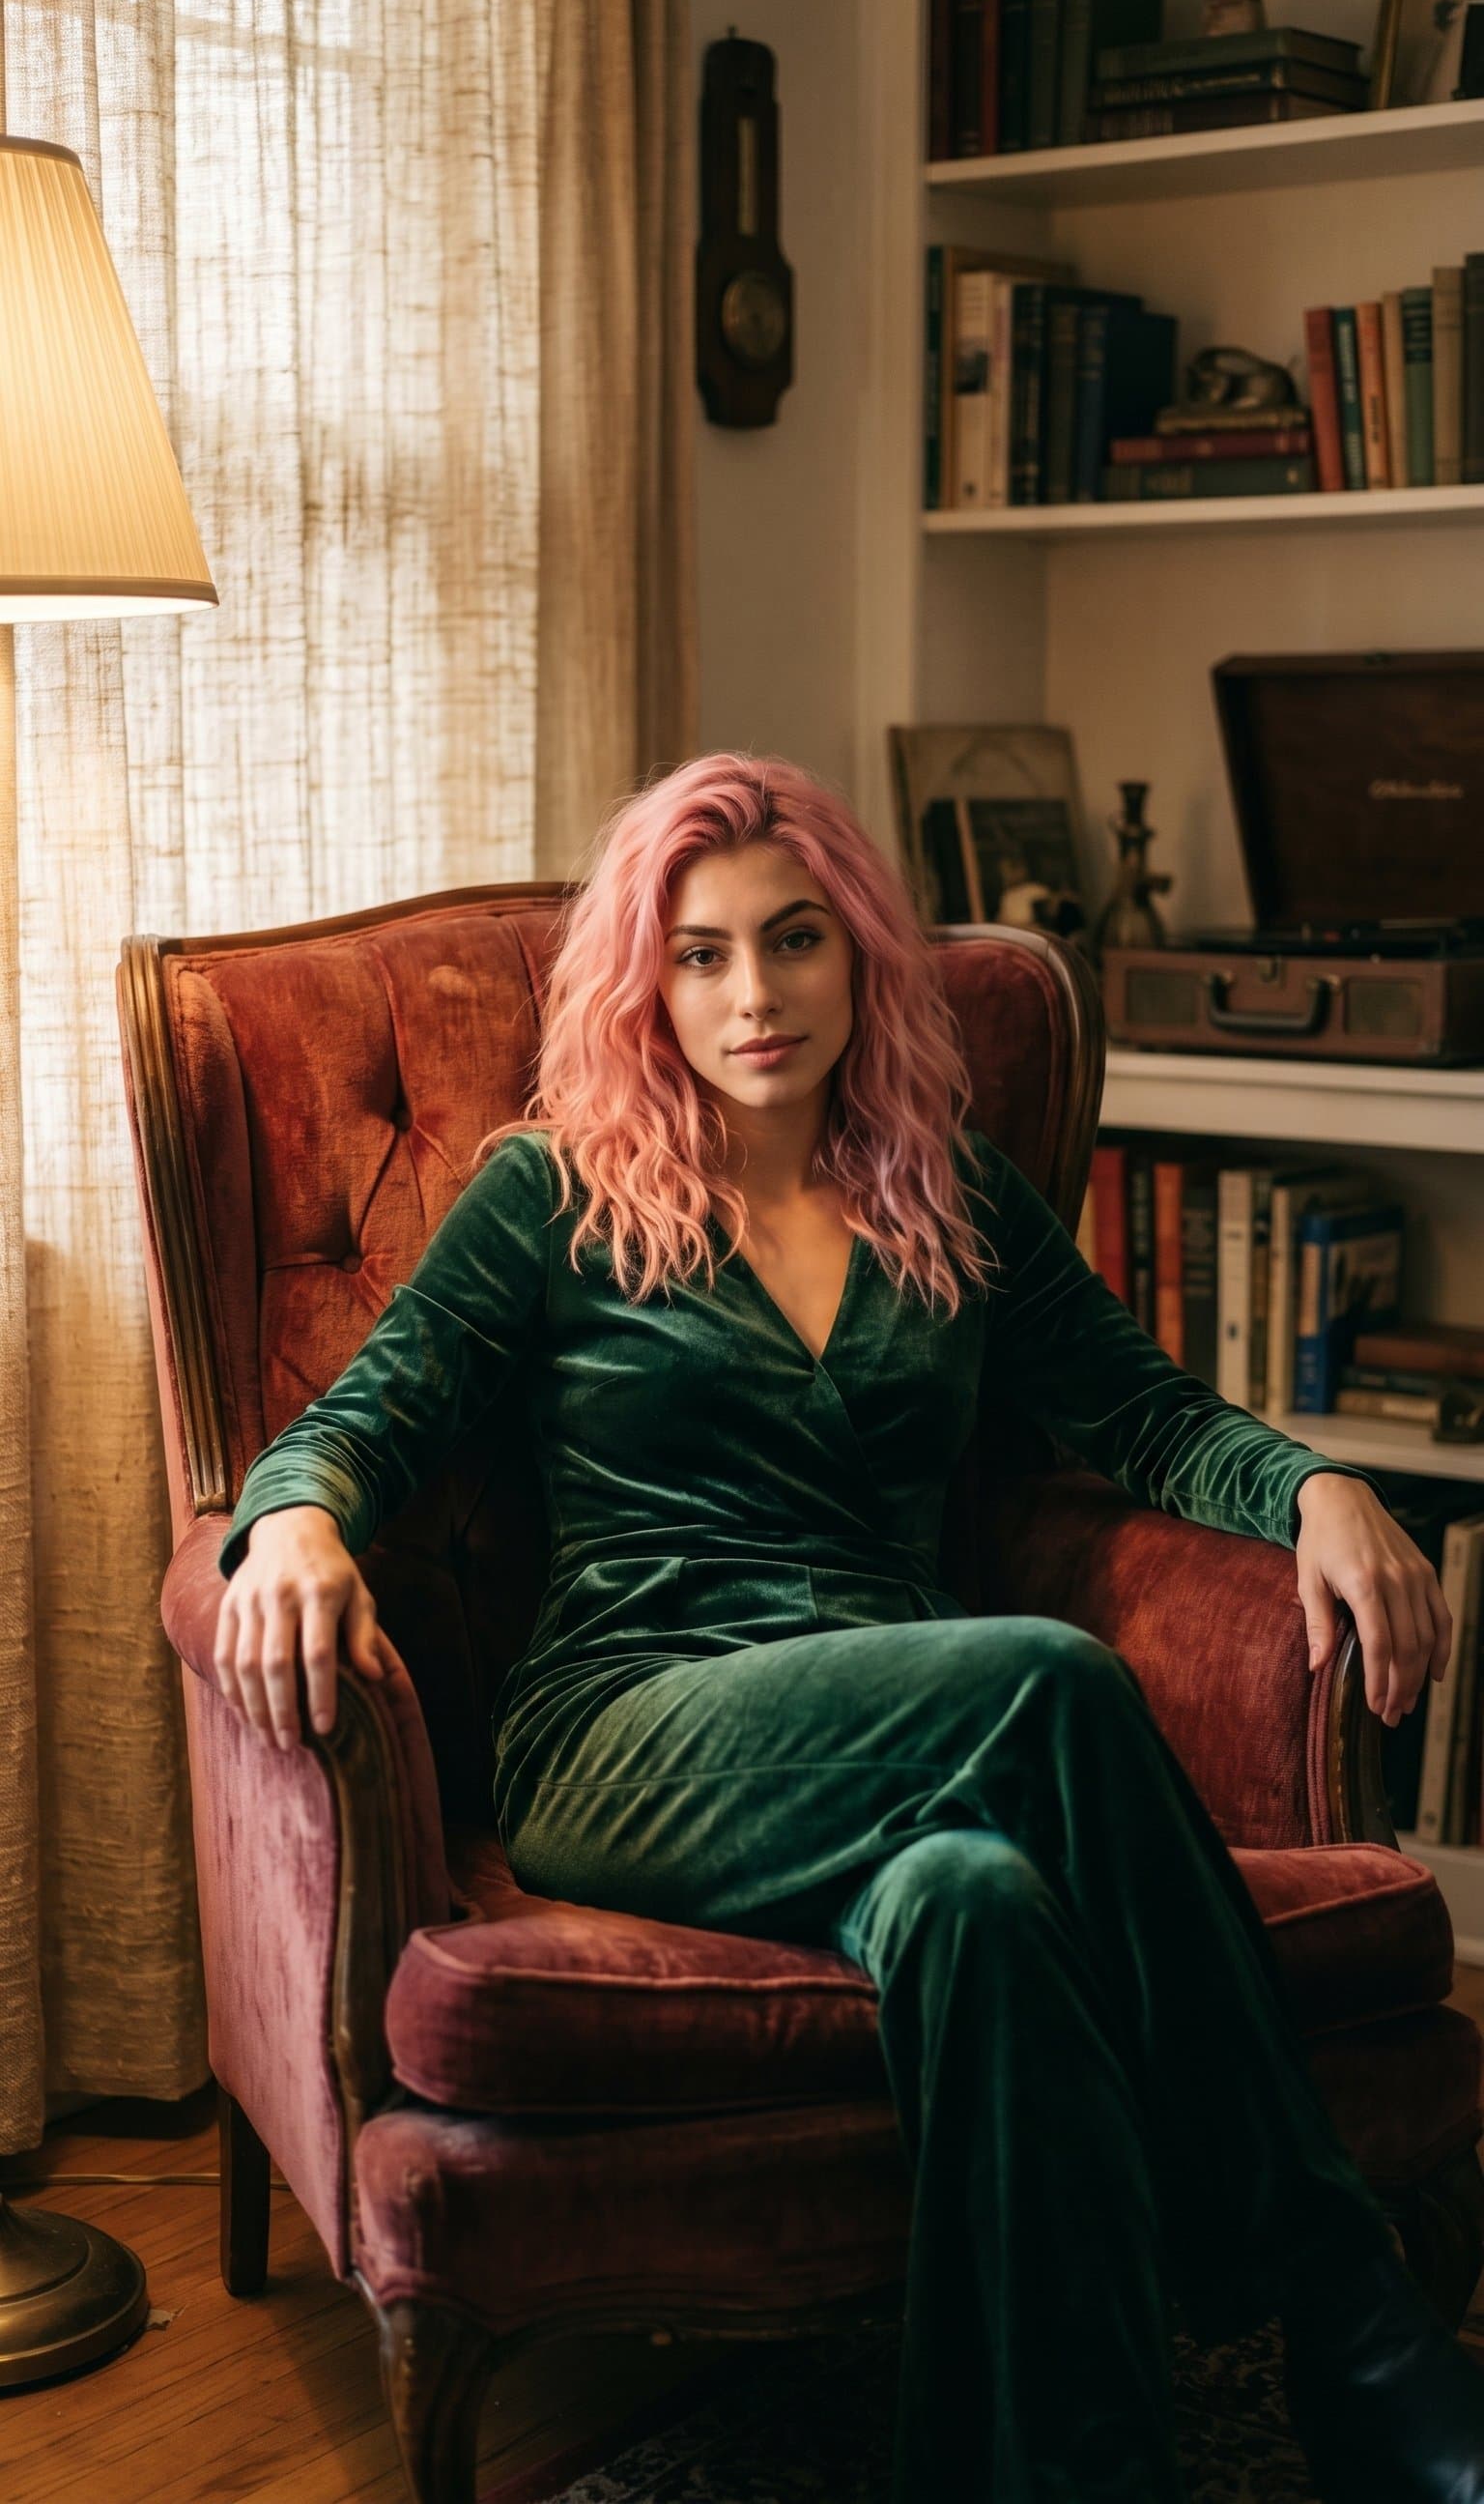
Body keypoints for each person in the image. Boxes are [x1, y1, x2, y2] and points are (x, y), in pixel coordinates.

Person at [212, 752, 1484, 2503]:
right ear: (645, 982)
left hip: (904, 1738)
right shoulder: (554, 1193)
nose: (755, 995)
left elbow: (1143, 1413)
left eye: (794, 941)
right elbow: (359, 1418)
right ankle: (1348, 2318)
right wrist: (292, 1520)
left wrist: (1314, 1486)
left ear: (860, 952)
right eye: (704, 953)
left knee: (985, 1906)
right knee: (1044, 1685)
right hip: (634, 1726)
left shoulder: (939, 1188)